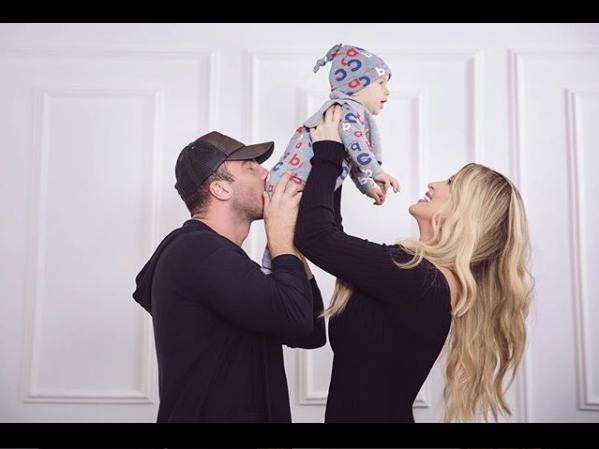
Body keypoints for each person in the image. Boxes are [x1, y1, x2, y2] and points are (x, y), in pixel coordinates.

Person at [294, 106, 533, 422]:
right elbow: (331, 239)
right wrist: (342, 160)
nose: (434, 184)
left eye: (451, 183)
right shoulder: (420, 277)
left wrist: (328, 152)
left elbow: (316, 237)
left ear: (468, 213)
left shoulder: (417, 278)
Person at [132, 131, 326, 422]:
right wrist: (280, 238)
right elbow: (296, 318)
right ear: (221, 189)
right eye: (251, 167)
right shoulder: (197, 251)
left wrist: (289, 243)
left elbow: (310, 331)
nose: (266, 173)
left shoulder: (220, 259)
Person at [261, 43, 400, 273]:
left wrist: (367, 186)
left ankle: (271, 273)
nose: (387, 92)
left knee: (284, 236)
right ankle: (271, 273)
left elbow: (350, 158)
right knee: (285, 235)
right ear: (356, 84)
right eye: (381, 83)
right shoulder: (346, 109)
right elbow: (357, 146)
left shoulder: (349, 112)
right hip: (292, 180)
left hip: (292, 181)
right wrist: (377, 172)